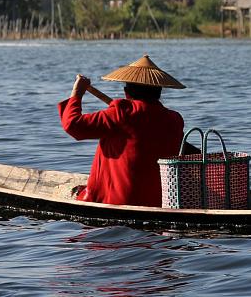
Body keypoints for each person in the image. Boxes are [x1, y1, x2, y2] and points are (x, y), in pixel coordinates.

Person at [58, 54, 185, 207]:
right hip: (159, 201)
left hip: (117, 201)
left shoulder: (121, 113)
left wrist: (77, 93)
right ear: (158, 93)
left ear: (126, 93)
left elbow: (72, 125)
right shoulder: (175, 119)